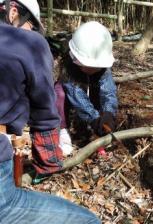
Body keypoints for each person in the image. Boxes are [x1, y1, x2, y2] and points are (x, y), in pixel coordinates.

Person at [0, 0, 101, 223]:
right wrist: (49, 159)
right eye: (32, 26)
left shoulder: (103, 68)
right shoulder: (30, 43)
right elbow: (45, 107)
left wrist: (106, 115)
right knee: (89, 220)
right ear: (13, 12)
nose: (33, 32)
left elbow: (107, 90)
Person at [55, 21, 118, 154]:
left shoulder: (103, 66)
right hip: (72, 93)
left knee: (100, 96)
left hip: (91, 89)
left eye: (96, 67)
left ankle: (97, 132)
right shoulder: (69, 66)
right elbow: (77, 95)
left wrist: (108, 113)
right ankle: (63, 130)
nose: (92, 69)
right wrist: (93, 118)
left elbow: (108, 91)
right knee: (58, 94)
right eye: (88, 65)